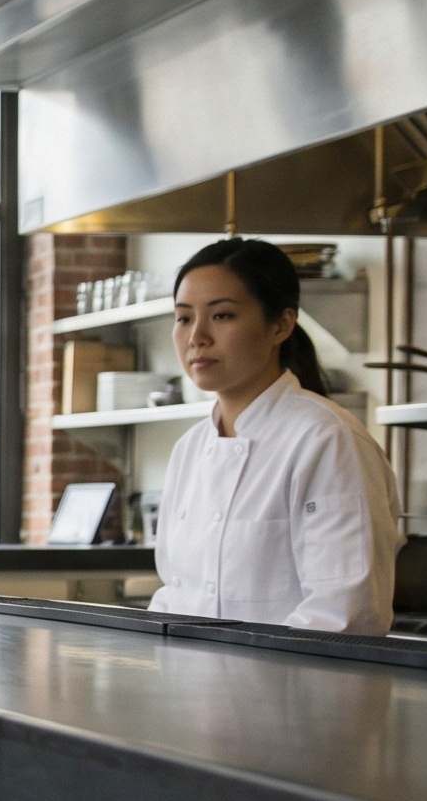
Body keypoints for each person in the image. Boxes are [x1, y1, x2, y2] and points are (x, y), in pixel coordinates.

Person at [147, 237, 401, 633]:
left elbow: (346, 614)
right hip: (193, 690)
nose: (197, 336)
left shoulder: (327, 440)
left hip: (298, 692)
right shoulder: (189, 450)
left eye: (222, 316)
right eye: (183, 318)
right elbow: (175, 593)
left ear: (281, 324)